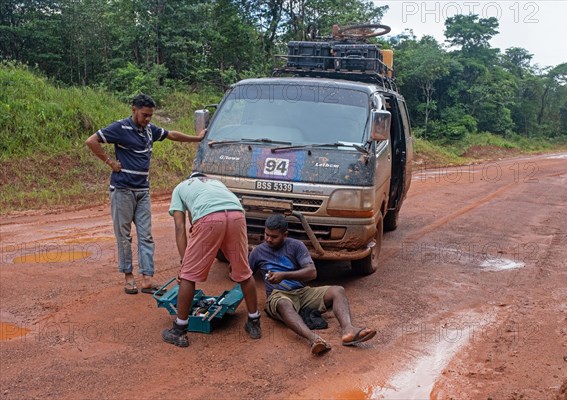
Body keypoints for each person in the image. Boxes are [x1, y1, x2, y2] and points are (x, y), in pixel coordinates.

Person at [85, 94, 205, 295]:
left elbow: (171, 135)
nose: (147, 119)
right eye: (144, 115)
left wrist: (197, 138)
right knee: (124, 236)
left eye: (150, 115)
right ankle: (129, 276)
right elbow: (92, 141)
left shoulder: (149, 131)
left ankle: (147, 278)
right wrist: (110, 162)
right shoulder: (119, 128)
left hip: (143, 190)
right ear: (133, 110)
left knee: (146, 235)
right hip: (122, 190)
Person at [249, 214, 376, 355]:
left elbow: (312, 273)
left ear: (285, 235)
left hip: (302, 292)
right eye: (266, 234)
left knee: (338, 290)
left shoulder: (296, 246)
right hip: (277, 295)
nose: (268, 239)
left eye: (274, 237)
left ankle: (348, 330)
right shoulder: (258, 252)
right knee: (284, 304)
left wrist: (283, 275)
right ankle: (313, 339)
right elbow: (245, 276)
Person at [161, 172, 261, 347]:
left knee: (188, 276)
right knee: (244, 272)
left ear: (189, 178)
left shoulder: (180, 188)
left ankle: (179, 330)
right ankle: (254, 322)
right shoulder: (216, 183)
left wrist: (184, 262)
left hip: (209, 217)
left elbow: (180, 226)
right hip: (237, 215)